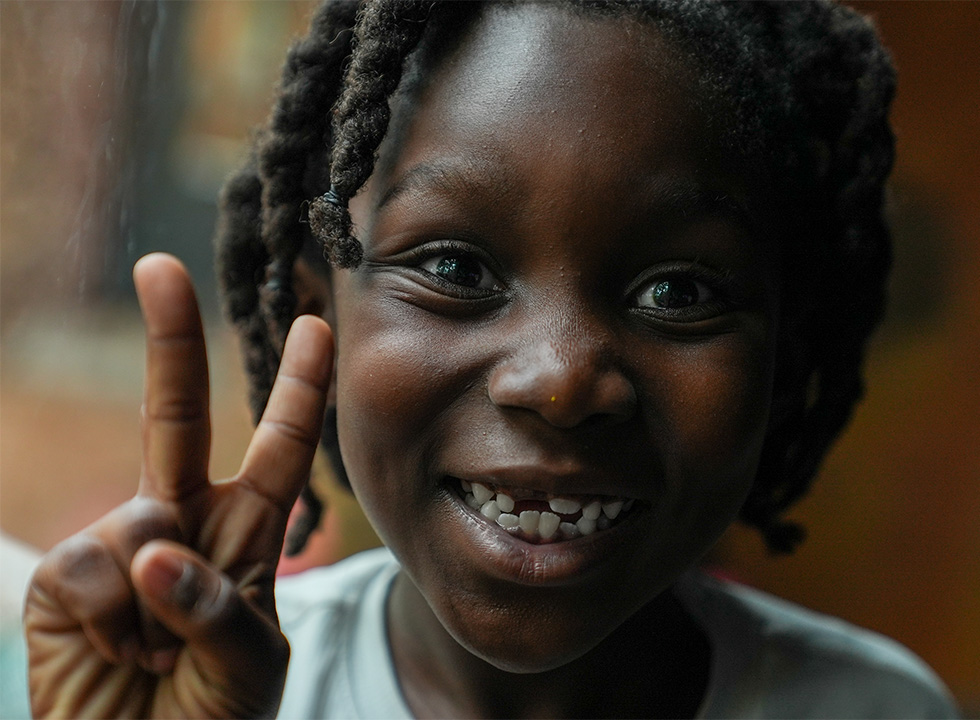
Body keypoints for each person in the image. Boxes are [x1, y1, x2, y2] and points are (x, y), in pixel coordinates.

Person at [23, 1, 959, 717]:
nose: (559, 380)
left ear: (784, 354)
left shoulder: (878, 707)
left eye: (679, 292)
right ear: (321, 318)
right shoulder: (199, 690)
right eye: (454, 267)